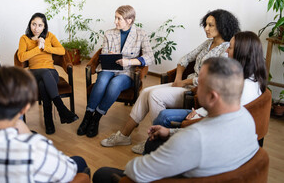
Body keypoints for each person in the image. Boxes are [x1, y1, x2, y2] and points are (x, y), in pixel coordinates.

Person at [93, 57, 259, 183]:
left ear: (212, 96)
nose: (194, 89)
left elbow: (136, 172)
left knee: (101, 174)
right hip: (213, 171)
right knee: (154, 141)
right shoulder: (247, 119)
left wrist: (138, 164)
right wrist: (171, 131)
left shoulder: (193, 138)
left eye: (199, 83)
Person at [100, 9, 240, 153]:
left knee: (154, 96)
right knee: (146, 92)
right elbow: (184, 59)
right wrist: (179, 78)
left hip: (196, 90)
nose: (206, 28)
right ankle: (124, 135)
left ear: (222, 27)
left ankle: (154, 141)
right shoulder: (207, 43)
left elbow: (211, 79)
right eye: (206, 24)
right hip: (185, 83)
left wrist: (185, 83)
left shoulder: (226, 50)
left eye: (211, 25)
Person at [0, 66, 89, 182]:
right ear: (26, 106)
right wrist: (28, 136)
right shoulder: (35, 149)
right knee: (79, 162)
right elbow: (68, 173)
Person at [154, 31, 267, 128]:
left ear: (241, 53)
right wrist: (198, 112)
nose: (227, 50)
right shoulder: (248, 77)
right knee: (160, 110)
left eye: (230, 47)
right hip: (208, 114)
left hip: (213, 123)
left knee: (163, 116)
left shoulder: (244, 86)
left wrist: (197, 116)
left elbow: (222, 119)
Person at [77, 5, 154, 138]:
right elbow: (104, 53)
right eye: (115, 18)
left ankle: (96, 119)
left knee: (114, 85)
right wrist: (112, 55)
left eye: (119, 19)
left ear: (129, 20)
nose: (115, 21)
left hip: (127, 71)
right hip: (109, 67)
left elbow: (150, 57)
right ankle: (87, 116)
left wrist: (129, 61)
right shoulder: (109, 33)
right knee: (101, 82)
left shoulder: (141, 34)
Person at [18, 13, 78, 135]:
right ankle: (61, 109)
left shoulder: (49, 36)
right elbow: (21, 57)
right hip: (34, 72)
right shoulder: (24, 38)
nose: (36, 28)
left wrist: (45, 46)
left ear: (44, 27)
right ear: (30, 24)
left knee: (43, 84)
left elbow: (61, 50)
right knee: (44, 74)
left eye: (40, 25)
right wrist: (37, 48)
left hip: (50, 72)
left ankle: (49, 121)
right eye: (34, 24)